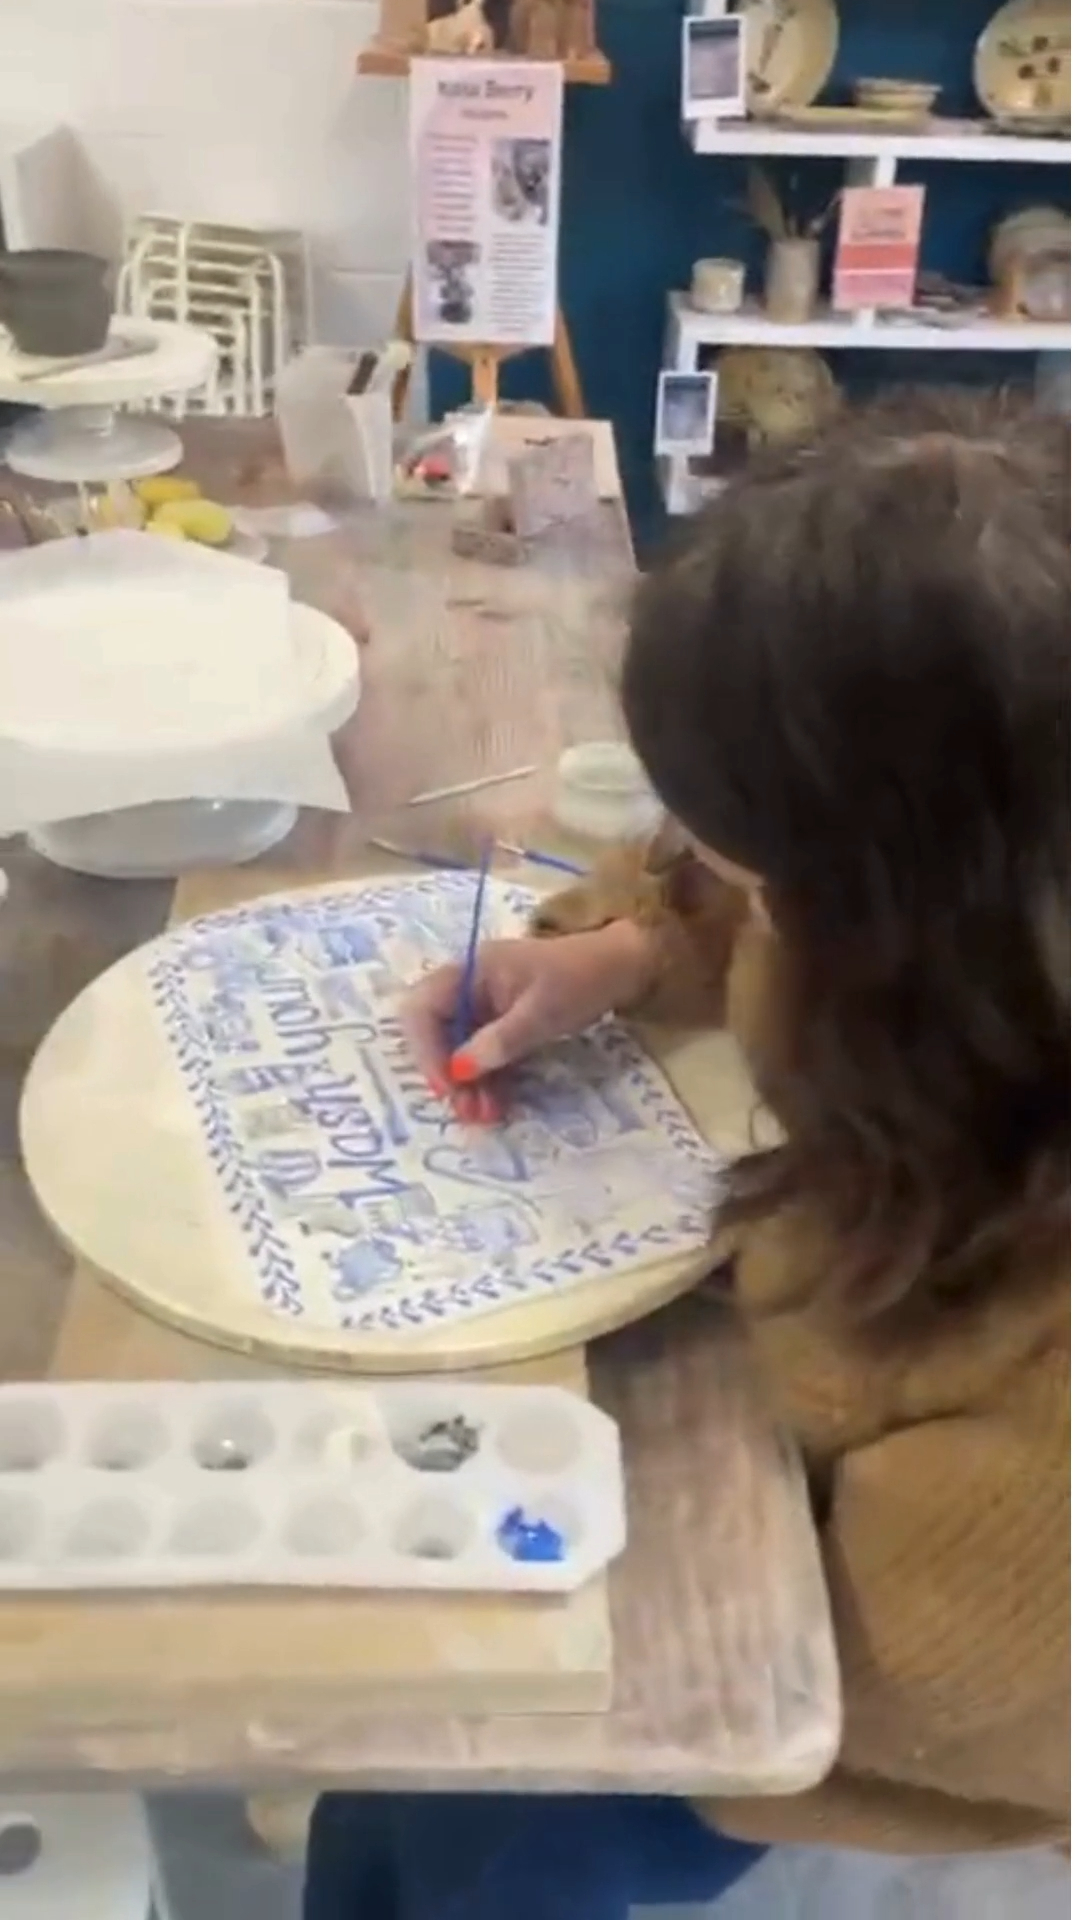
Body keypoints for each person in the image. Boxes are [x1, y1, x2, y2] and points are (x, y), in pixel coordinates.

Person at [304, 391, 1069, 1917]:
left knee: (492, 1831)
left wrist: (578, 1480)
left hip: (832, 1718)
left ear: (914, 946)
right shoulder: (985, 854)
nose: (726, 896)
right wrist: (634, 948)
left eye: (757, 883)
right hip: (807, 1452)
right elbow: (723, 867)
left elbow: (813, 1688)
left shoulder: (1042, 1445)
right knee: (377, 1790)